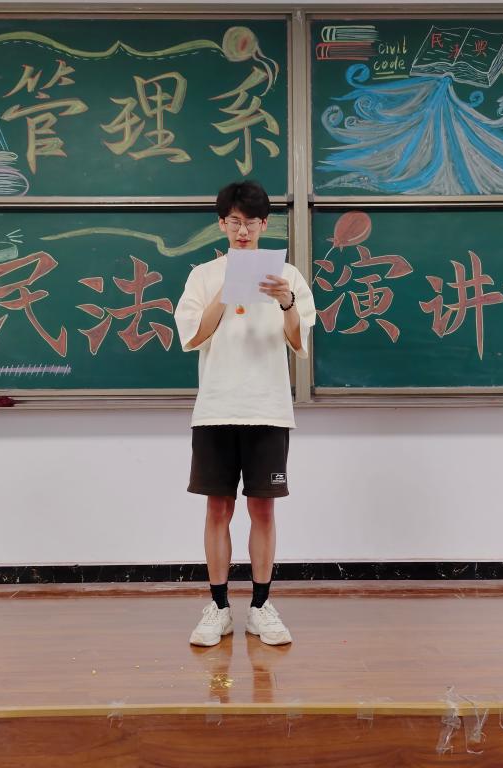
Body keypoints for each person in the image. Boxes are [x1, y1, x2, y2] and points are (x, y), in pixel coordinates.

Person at [174, 181, 315, 647]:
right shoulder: (202, 276)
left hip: (268, 408)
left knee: (263, 509)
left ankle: (260, 606)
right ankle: (218, 608)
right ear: (222, 224)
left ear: (264, 225)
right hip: (216, 409)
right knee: (218, 507)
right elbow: (192, 337)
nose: (242, 231)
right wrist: (227, 288)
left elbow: (298, 342)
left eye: (251, 222)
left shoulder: (287, 276)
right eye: (234, 221)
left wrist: (286, 301)